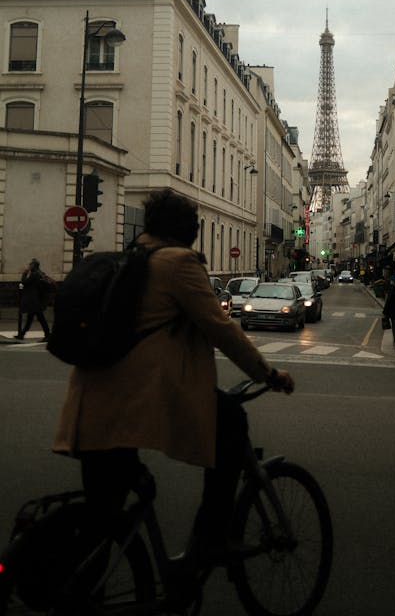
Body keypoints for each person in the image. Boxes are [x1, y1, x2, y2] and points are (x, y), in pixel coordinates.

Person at [53, 188, 294, 577]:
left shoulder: (129, 257)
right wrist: (267, 374)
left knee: (101, 522)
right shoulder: (178, 263)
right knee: (230, 421)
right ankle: (212, 538)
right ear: (190, 231)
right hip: (137, 399)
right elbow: (221, 329)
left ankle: (73, 588)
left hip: (91, 399)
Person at [16, 258, 52, 341]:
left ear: (33, 266)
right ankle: (22, 334)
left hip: (34, 300)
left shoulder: (34, 274)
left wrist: (25, 272)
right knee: (31, 318)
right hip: (36, 300)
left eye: (30, 265)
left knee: (39, 318)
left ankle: (47, 335)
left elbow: (24, 282)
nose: (29, 266)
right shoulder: (38, 273)